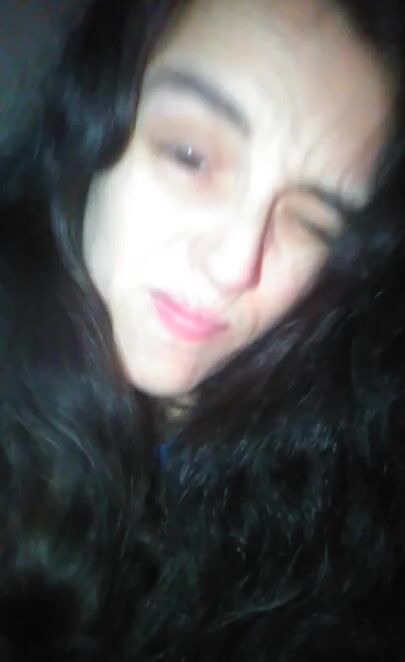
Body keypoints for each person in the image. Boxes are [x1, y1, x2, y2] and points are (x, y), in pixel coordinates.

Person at [1, 0, 405, 659]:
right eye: (190, 156)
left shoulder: (338, 472)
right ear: (94, 119)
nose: (233, 265)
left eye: (311, 221)